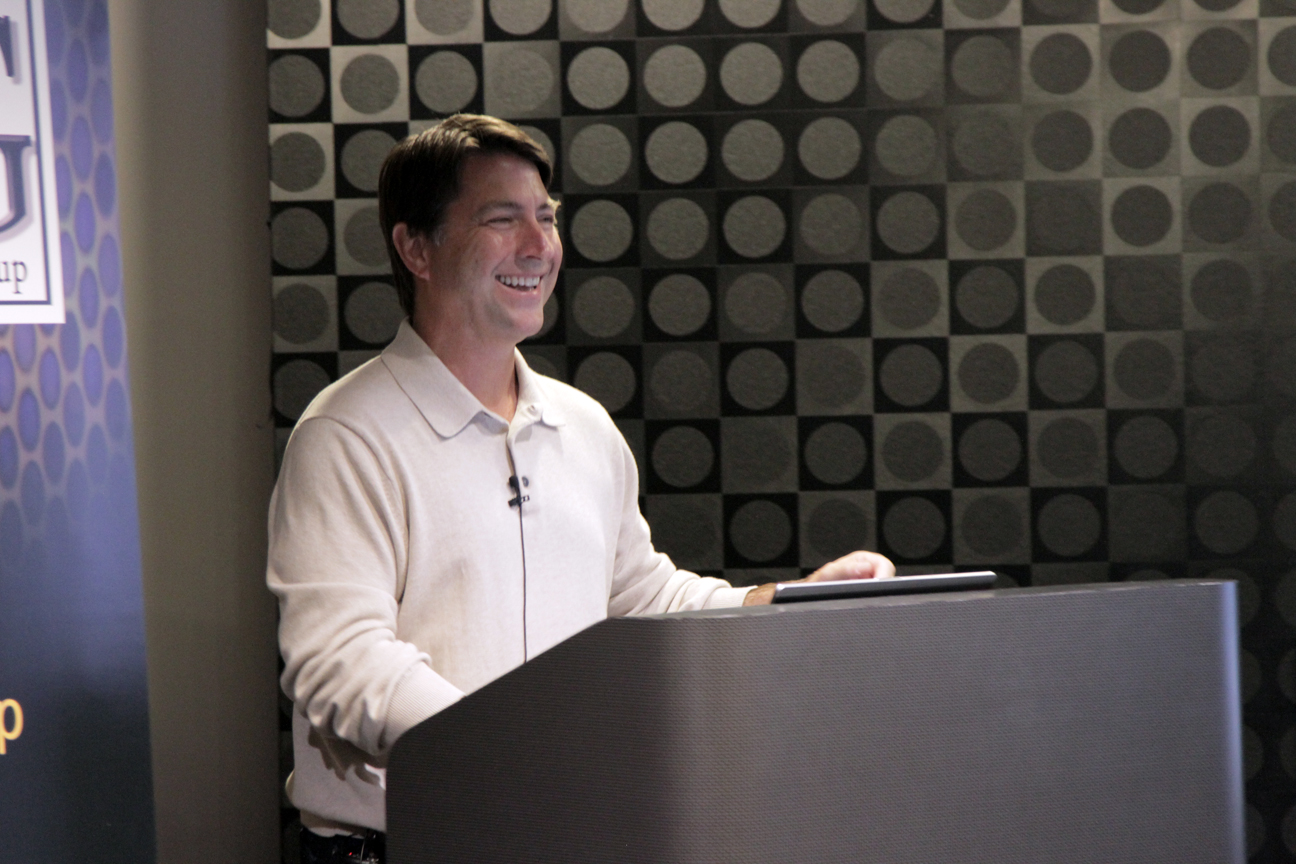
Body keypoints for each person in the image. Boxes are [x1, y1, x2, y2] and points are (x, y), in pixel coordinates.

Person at [267, 114, 896, 862]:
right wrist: (517, 749)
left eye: (547, 217)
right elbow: (341, 660)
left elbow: (644, 599)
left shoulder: (583, 425)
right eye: (502, 219)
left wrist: (788, 603)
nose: (539, 245)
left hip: (567, 833)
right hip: (407, 842)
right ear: (416, 248)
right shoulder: (346, 434)